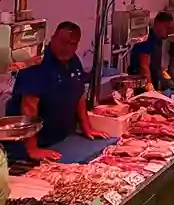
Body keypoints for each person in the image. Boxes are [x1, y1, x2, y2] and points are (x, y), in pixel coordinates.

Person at [6, 21, 107, 161]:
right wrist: (32, 149)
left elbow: (79, 95)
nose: (67, 48)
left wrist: (87, 128)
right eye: (63, 42)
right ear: (53, 39)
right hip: (31, 145)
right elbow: (28, 107)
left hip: (61, 140)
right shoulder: (36, 63)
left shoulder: (74, 61)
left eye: (73, 44)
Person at [128, 11, 174, 91]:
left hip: (152, 80)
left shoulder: (159, 39)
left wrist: (164, 75)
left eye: (170, 28)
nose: (168, 32)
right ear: (157, 24)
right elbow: (144, 66)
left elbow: (155, 62)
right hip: (139, 85)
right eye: (166, 28)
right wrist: (149, 87)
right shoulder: (147, 38)